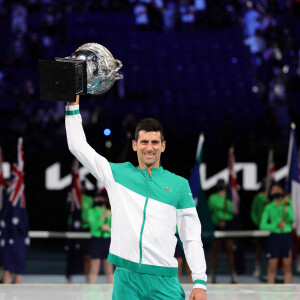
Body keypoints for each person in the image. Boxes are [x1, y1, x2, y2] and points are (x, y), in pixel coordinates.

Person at [65, 95, 207, 300]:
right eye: (144, 142)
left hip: (164, 280)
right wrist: (72, 105)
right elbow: (78, 147)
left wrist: (200, 282)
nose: (149, 147)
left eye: (155, 142)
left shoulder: (179, 185)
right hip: (126, 279)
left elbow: (191, 236)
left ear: (163, 146)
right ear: (134, 145)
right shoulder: (117, 175)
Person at [260, 183, 295, 283]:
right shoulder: (268, 207)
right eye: (274, 189)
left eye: (278, 189)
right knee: (272, 266)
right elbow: (262, 225)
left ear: (282, 191)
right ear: (270, 192)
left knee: (287, 266)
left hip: (286, 236)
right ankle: (270, 294)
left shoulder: (287, 203)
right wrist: (275, 225)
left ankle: (287, 294)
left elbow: (292, 218)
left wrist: (288, 206)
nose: (276, 191)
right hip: (274, 237)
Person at [207, 179, 237, 283]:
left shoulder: (229, 198)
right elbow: (210, 211)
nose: (220, 185)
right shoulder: (212, 197)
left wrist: (227, 206)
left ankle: (233, 274)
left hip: (228, 225)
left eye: (222, 184)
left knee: (230, 251)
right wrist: (218, 220)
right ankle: (212, 274)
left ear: (225, 185)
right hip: (217, 225)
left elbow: (234, 211)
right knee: (215, 251)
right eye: (219, 184)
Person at [87, 189, 113, 284]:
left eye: (101, 197)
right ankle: (90, 294)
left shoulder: (110, 212)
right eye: (97, 197)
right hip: (96, 241)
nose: (99, 199)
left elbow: (115, 227)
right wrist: (102, 219)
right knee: (94, 269)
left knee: (109, 270)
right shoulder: (91, 211)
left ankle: (111, 294)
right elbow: (93, 225)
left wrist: (109, 228)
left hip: (107, 241)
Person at [250, 182, 268, 277]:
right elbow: (253, 212)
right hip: (259, 227)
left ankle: (270, 270)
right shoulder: (258, 198)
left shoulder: (273, 198)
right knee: (259, 248)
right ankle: (258, 268)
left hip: (271, 227)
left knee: (271, 249)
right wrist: (258, 224)